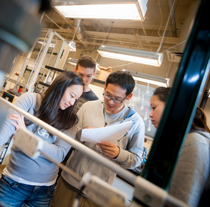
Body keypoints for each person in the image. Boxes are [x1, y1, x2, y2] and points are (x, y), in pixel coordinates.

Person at [0, 71, 84, 207]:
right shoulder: (30, 100)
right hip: (12, 184)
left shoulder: (71, 120)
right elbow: (3, 131)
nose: (72, 102)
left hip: (44, 191)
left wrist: (25, 135)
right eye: (72, 95)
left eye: (76, 99)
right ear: (60, 87)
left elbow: (58, 155)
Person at [51, 70, 145, 207]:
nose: (111, 102)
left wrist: (118, 154)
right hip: (70, 179)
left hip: (97, 191)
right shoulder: (88, 107)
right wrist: (81, 134)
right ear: (105, 86)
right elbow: (69, 139)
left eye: (117, 98)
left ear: (128, 96)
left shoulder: (136, 123)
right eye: (107, 94)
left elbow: (136, 160)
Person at [148, 87, 210, 207]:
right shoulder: (177, 140)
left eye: (154, 107)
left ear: (173, 107)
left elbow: (184, 199)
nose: (150, 114)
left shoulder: (195, 143)